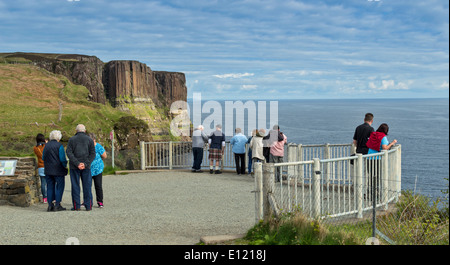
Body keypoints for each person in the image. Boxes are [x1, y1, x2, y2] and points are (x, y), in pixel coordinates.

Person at [66, 124, 96, 211]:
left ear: (76, 130)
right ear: (85, 130)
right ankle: (88, 205)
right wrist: (85, 164)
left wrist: (77, 163)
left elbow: (69, 152)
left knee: (75, 186)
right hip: (86, 167)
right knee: (87, 186)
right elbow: (92, 153)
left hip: (74, 167)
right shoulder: (89, 140)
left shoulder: (71, 140)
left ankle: (77, 206)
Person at [366, 123, 398, 201]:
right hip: (376, 159)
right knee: (377, 177)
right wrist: (392, 143)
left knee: (370, 177)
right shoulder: (383, 137)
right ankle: (376, 195)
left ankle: (369, 193)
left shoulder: (373, 134)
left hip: (368, 158)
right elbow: (384, 148)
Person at [42, 130, 68, 212]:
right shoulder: (59, 146)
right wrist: (65, 166)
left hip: (48, 169)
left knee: (50, 186)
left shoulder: (46, 145)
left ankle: (50, 205)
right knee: (59, 187)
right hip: (58, 170)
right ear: (58, 138)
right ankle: (57, 204)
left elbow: (43, 157)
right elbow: (62, 159)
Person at [89, 133, 107, 208]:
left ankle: (100, 201)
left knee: (98, 185)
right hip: (88, 169)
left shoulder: (98, 146)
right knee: (87, 186)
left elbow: (105, 155)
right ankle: (88, 201)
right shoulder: (86, 147)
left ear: (94, 139)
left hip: (97, 169)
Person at [33, 133, 47, 203]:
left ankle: (44, 198)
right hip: (47, 166)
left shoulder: (35, 148)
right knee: (49, 182)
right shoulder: (46, 146)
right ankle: (51, 196)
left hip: (41, 166)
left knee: (43, 183)